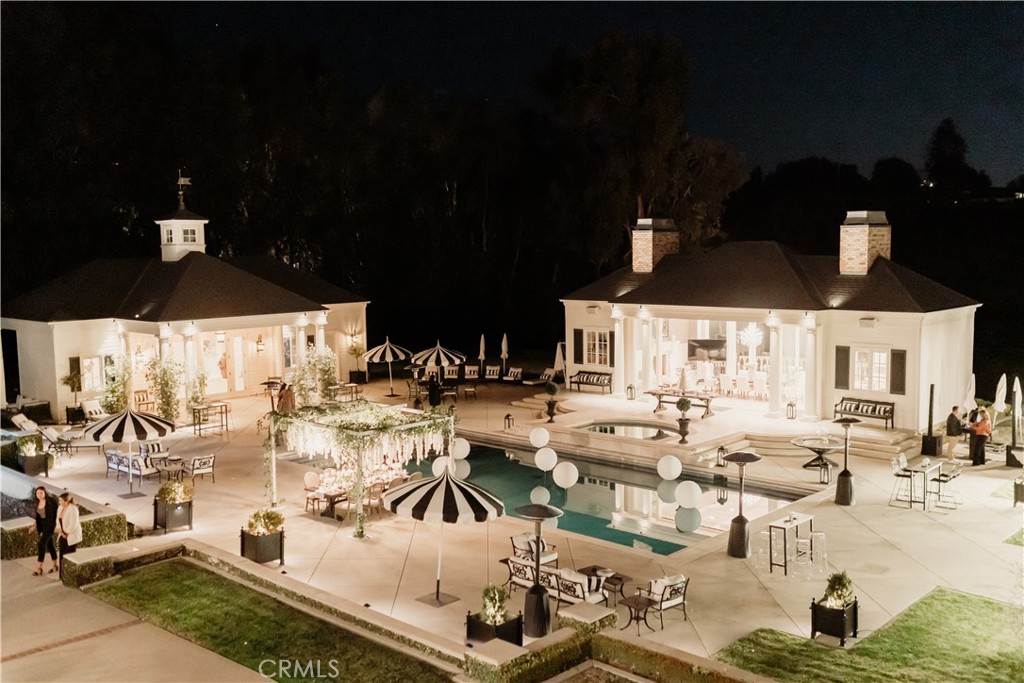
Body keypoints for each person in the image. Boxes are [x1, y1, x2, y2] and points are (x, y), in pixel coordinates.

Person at [32, 486, 59, 576]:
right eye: (37, 493)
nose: (39, 495)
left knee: (41, 544)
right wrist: (34, 526)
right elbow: (39, 517)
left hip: (50, 526)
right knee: (50, 545)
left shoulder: (51, 501)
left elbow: (57, 514)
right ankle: (55, 566)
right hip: (43, 527)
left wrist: (57, 525)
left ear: (45, 493)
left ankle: (39, 568)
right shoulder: (37, 503)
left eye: (41, 493)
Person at [56, 491, 82, 579]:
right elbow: (57, 520)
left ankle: (70, 576)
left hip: (71, 536)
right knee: (62, 555)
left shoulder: (73, 509)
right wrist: (60, 531)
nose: (59, 502)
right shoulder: (60, 508)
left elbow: (73, 525)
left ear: (67, 501)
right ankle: (62, 575)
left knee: (70, 555)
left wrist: (65, 533)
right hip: (62, 535)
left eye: (61, 501)